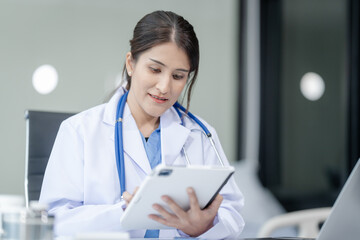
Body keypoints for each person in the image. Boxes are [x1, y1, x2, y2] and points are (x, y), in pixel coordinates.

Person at [39, 10, 245, 238]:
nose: (164, 86)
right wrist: (126, 214)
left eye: (178, 76)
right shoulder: (79, 131)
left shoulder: (200, 134)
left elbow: (232, 212)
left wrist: (203, 227)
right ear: (131, 63)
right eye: (155, 69)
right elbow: (53, 222)